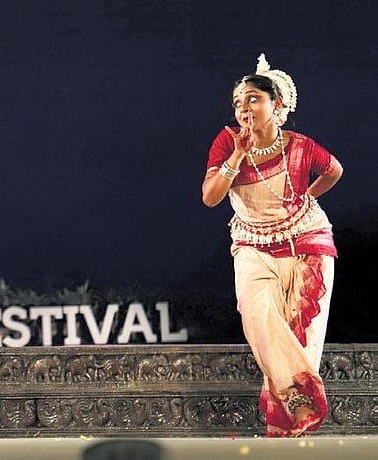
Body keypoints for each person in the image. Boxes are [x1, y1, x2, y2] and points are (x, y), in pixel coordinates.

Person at [201, 53, 343, 438]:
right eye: (237, 102)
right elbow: (210, 197)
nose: (243, 108)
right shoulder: (227, 141)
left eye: (253, 99)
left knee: (301, 332)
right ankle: (301, 399)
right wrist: (238, 154)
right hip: (253, 243)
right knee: (257, 314)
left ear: (276, 105)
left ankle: (293, 422)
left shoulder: (300, 146)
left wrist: (307, 197)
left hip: (306, 241)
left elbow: (334, 170)